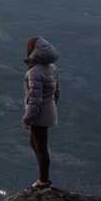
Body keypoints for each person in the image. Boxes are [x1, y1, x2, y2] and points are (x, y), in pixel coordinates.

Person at [23, 36, 60, 189]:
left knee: (41, 146)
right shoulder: (52, 68)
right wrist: (52, 107)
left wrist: (28, 118)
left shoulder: (35, 72)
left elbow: (35, 99)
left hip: (39, 114)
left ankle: (43, 181)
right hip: (49, 110)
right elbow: (57, 92)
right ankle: (43, 179)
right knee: (35, 143)